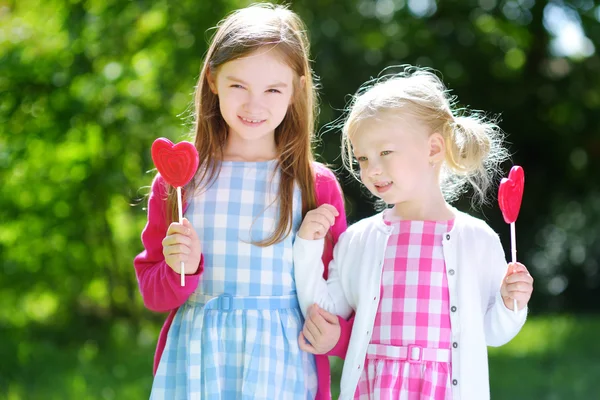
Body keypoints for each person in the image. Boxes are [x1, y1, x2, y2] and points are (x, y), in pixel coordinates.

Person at [133, 4, 348, 399]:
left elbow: (341, 286)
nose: (254, 105)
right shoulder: (181, 182)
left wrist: (336, 335)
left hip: (282, 363)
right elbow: (154, 292)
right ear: (213, 80)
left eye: (272, 89)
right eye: (238, 86)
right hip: (198, 360)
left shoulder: (314, 185)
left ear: (297, 88)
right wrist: (182, 267)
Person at [293, 66, 534, 400]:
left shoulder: (477, 240)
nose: (371, 169)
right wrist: (306, 246)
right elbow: (325, 309)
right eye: (363, 158)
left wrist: (511, 303)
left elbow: (492, 332)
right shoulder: (359, 240)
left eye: (385, 152)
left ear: (433, 149)